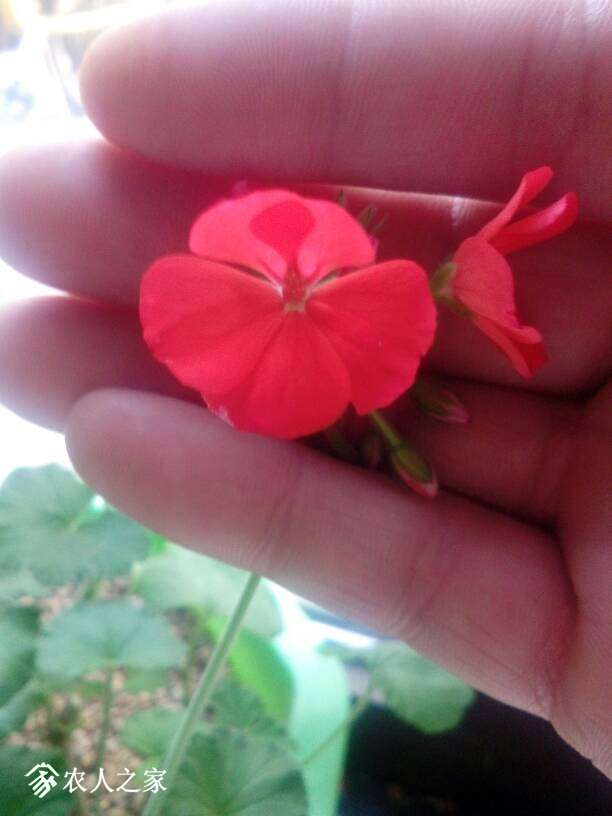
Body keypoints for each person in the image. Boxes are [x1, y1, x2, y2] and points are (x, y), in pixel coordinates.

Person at [0, 0, 609, 779]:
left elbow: (368, 342)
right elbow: (226, 339)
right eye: (288, 284)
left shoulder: (386, 307)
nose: (292, 290)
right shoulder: (272, 295)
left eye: (302, 283)